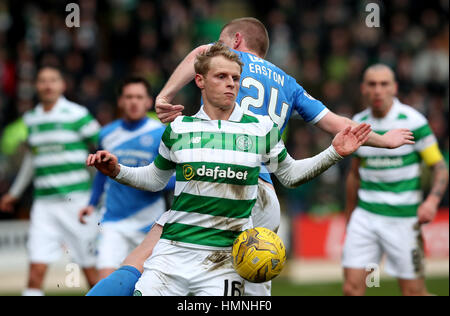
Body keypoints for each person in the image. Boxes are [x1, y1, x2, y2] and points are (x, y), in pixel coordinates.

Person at [87, 17, 414, 297]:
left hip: (227, 184)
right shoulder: (288, 83)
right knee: (248, 285)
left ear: (236, 41)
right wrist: (383, 140)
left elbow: (201, 54)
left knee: (142, 258)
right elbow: (340, 125)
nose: (217, 51)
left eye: (222, 43)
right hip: (264, 192)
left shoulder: (223, 61)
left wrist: (164, 95)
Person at [342, 64, 449, 296]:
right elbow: (354, 174)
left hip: (404, 220)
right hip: (366, 218)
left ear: (395, 88)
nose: (378, 90)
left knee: (414, 293)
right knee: (351, 289)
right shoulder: (357, 123)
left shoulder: (413, 121)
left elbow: (440, 167)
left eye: (384, 84)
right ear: (363, 89)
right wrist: (350, 218)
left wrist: (431, 202)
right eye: (372, 84)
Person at [0, 66, 101, 296]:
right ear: (37, 86)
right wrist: (14, 193)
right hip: (44, 205)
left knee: (89, 271)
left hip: (76, 202)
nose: (48, 85)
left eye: (53, 80)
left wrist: (104, 189)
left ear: (62, 85)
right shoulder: (31, 119)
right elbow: (32, 159)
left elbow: (104, 148)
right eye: (43, 81)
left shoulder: (78, 114)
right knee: (36, 270)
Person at [78, 77, 174, 280]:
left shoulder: (162, 133)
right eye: (128, 97)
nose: (133, 102)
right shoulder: (106, 134)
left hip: (150, 224)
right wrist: (91, 203)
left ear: (149, 102)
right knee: (107, 282)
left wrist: (149, 179)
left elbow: (171, 178)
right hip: (113, 221)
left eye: (139, 97)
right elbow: (101, 175)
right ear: (120, 101)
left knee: (145, 287)